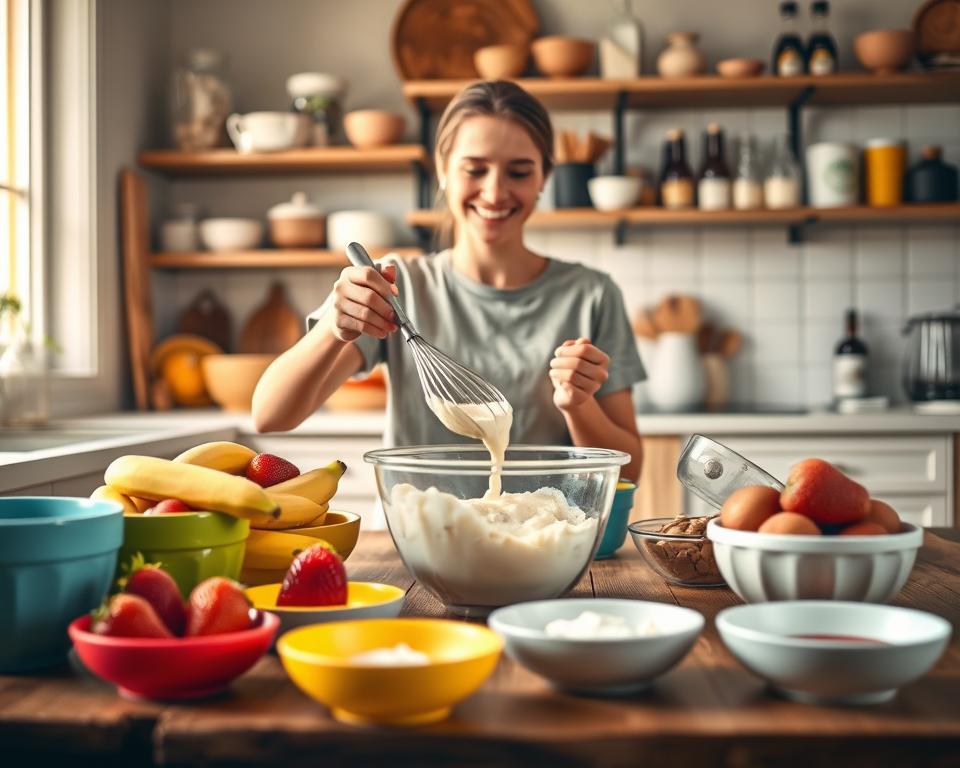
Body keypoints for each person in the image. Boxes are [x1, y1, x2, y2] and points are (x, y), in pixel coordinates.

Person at [252, 80, 645, 481]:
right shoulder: (395, 285)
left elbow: (631, 471)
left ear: (544, 177)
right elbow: (270, 415)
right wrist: (333, 329)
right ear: (442, 169)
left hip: (544, 537)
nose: (494, 192)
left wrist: (578, 404)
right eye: (475, 169)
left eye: (520, 172)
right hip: (417, 536)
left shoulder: (592, 295)